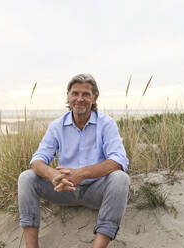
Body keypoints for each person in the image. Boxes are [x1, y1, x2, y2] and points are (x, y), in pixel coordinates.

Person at [17, 73, 130, 248]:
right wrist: (52, 174)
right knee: (26, 177)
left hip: (96, 191)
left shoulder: (106, 124)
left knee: (120, 179)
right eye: (75, 94)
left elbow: (119, 160)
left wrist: (82, 174)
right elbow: (37, 160)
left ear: (94, 98)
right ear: (68, 97)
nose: (80, 99)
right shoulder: (57, 126)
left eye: (86, 94)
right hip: (63, 189)